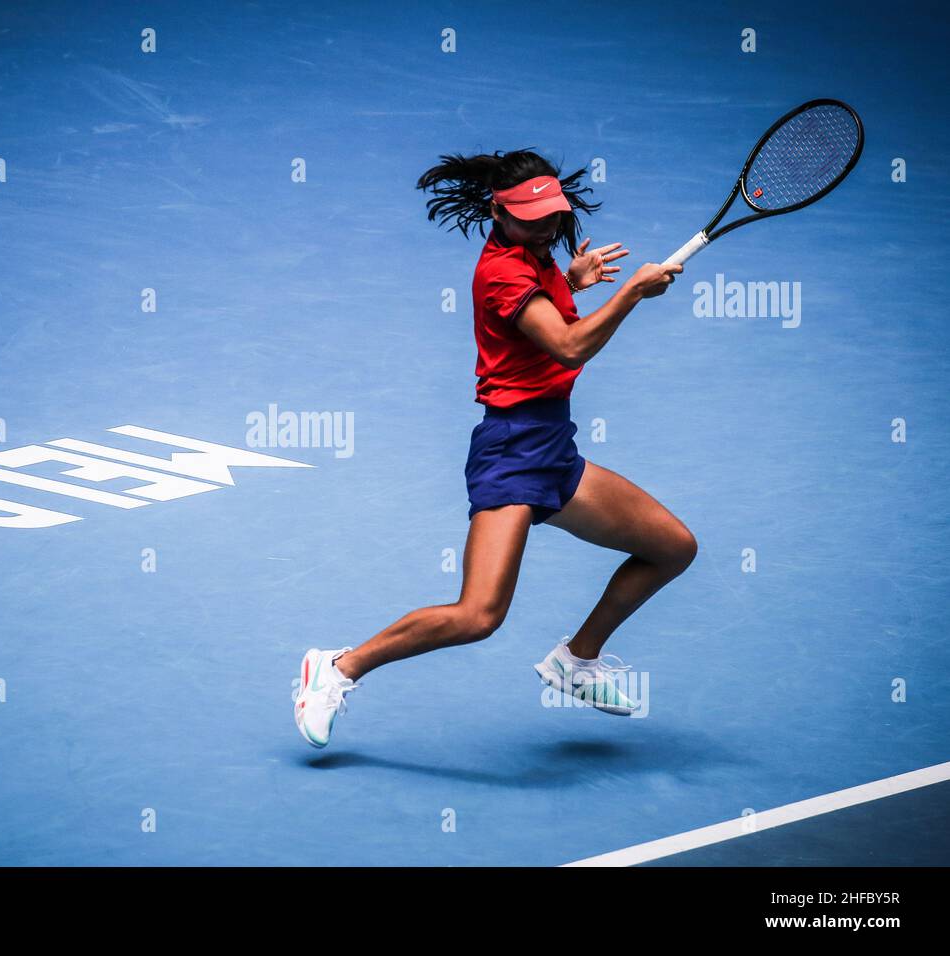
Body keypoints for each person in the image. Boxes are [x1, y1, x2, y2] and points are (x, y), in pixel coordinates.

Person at [292, 149, 696, 748]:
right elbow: (567, 347)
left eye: (551, 215)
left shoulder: (537, 258)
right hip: (512, 452)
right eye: (528, 217)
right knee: (479, 615)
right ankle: (337, 667)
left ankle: (578, 660)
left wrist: (572, 280)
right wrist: (632, 292)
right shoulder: (503, 272)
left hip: (554, 446)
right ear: (496, 211)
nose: (544, 227)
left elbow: (550, 310)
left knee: (672, 548)